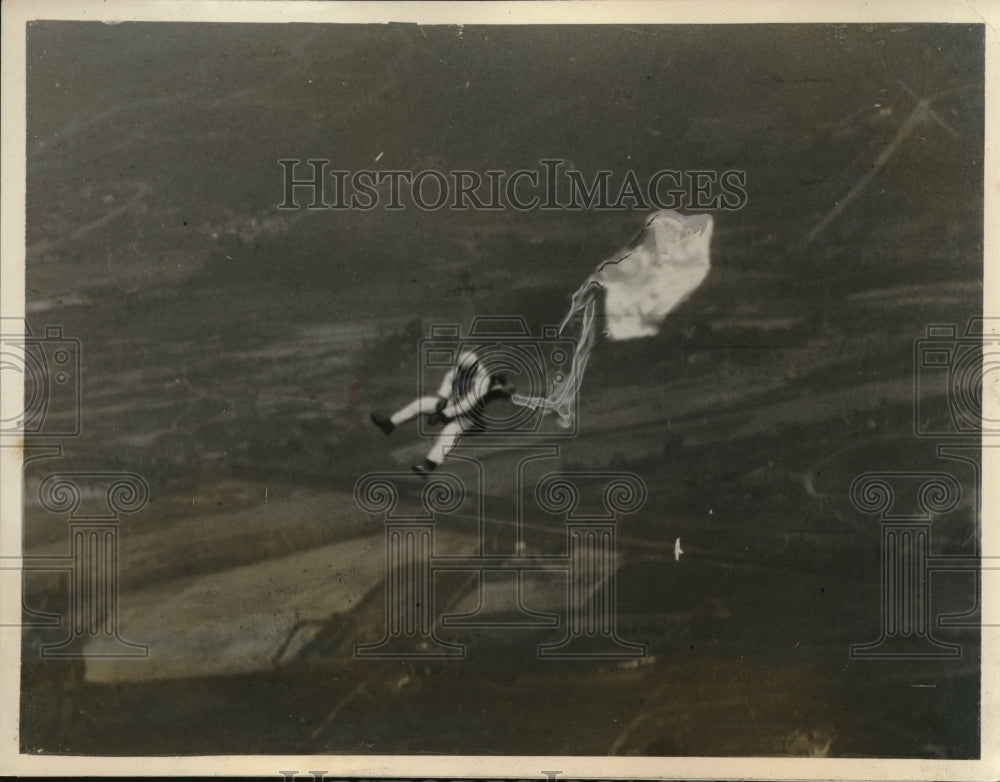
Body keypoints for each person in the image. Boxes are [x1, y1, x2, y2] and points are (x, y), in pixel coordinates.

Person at [370, 349, 514, 476]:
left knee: (448, 436)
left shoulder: (483, 380)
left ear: (474, 367)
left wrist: (442, 415)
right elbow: (449, 377)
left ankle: (426, 467)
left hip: (468, 416)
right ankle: (389, 424)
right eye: (461, 369)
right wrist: (443, 398)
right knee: (422, 403)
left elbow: (467, 404)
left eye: (464, 370)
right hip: (451, 405)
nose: (461, 372)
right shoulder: (464, 369)